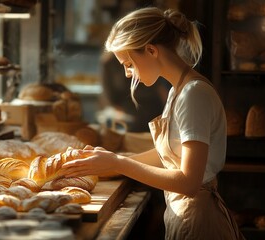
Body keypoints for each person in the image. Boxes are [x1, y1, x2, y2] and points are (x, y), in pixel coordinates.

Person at [62, 7, 245, 240]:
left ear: (150, 50)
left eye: (128, 63)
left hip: (199, 222)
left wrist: (118, 163)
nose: (127, 74)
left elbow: (189, 182)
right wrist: (111, 162)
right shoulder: (178, 91)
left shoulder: (193, 95)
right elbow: (168, 155)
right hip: (185, 213)